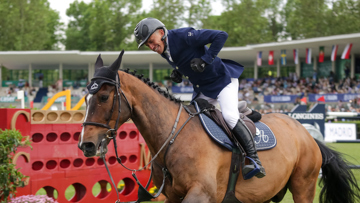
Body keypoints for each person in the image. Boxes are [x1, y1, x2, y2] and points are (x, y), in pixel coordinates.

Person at [134, 17, 265, 178]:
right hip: (204, 89)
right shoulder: (164, 48)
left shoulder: (184, 36)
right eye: (148, 45)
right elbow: (186, 57)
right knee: (190, 121)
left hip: (223, 81)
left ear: (161, 32)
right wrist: (179, 72)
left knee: (229, 117)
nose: (152, 47)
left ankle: (254, 160)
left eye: (151, 41)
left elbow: (221, 35)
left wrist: (206, 60)